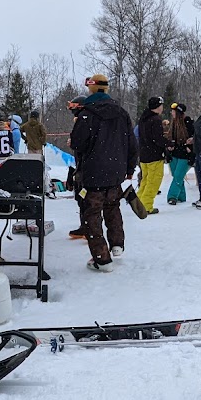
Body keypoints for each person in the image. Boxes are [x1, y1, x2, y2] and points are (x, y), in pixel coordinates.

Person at [70, 74, 138, 272]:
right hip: (115, 172)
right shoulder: (122, 113)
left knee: (92, 215)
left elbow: (77, 143)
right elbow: (132, 144)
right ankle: (117, 243)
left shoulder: (86, 113)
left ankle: (102, 258)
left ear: (91, 89)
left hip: (93, 173)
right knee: (112, 207)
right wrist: (129, 169)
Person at [136, 96, 167, 214]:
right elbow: (157, 138)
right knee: (153, 181)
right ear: (157, 107)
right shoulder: (155, 120)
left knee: (145, 180)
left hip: (144, 155)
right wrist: (168, 144)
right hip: (154, 155)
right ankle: (146, 206)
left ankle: (138, 202)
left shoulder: (143, 118)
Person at [66, 96, 89, 239]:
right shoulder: (81, 120)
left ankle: (90, 229)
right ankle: (84, 226)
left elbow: (81, 142)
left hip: (87, 166)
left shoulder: (85, 121)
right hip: (81, 164)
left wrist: (73, 141)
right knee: (81, 197)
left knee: (87, 198)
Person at [165, 102, 195, 205]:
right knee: (176, 175)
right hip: (174, 153)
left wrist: (190, 145)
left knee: (178, 175)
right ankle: (181, 197)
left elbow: (195, 136)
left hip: (185, 154)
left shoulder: (188, 123)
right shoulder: (173, 124)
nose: (172, 113)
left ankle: (172, 196)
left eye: (173, 111)